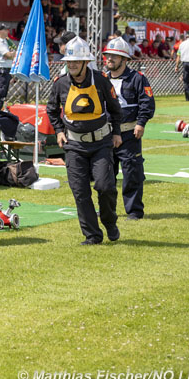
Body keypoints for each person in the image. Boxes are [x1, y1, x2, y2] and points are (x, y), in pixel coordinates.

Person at [46, 37, 123, 245]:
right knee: (80, 191)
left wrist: (116, 133)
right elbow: (51, 109)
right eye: (68, 61)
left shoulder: (101, 81)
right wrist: (59, 131)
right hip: (74, 146)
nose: (71, 65)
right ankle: (92, 235)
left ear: (85, 62)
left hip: (101, 143)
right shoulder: (60, 84)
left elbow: (116, 109)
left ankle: (109, 221)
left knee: (105, 186)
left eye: (75, 61)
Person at [103, 37, 155, 221]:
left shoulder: (137, 79)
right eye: (108, 55)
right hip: (106, 134)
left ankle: (134, 211)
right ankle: (107, 210)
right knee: (105, 175)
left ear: (124, 60)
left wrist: (141, 122)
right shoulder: (102, 79)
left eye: (114, 56)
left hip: (129, 134)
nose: (109, 59)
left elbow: (146, 103)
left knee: (132, 172)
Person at [0, 23, 14, 110]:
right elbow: (9, 55)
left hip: (6, 69)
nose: (7, 31)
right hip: (1, 70)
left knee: (3, 93)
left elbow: (14, 52)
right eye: (5, 30)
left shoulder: (5, 41)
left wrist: (11, 54)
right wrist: (10, 55)